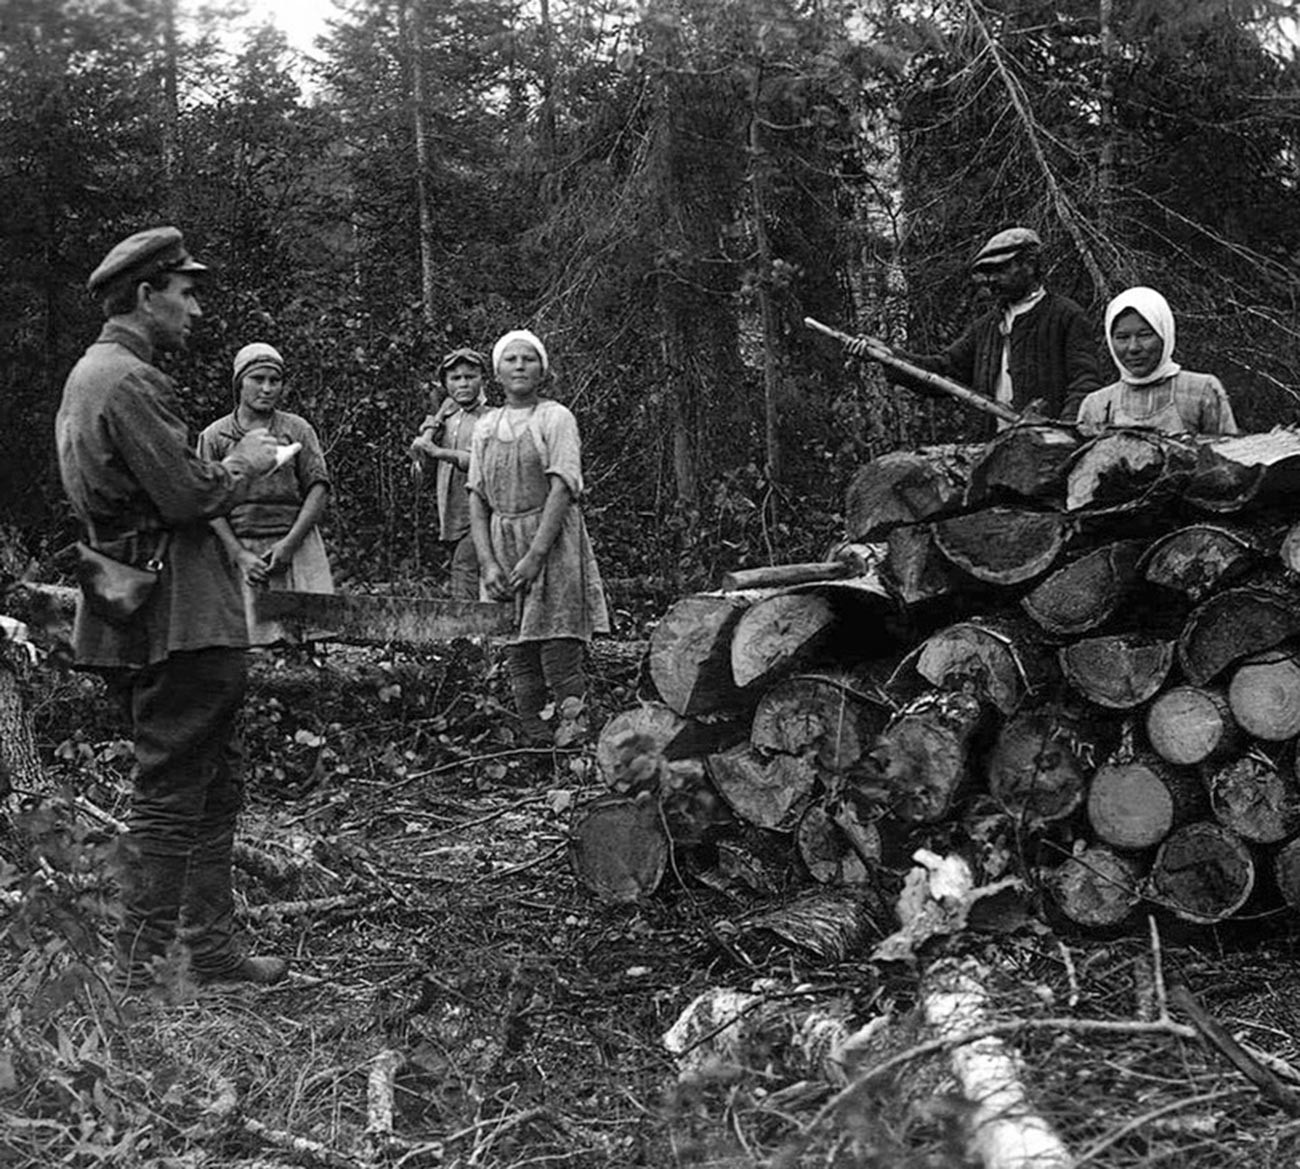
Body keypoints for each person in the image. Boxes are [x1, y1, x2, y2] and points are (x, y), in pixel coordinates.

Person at [55, 226, 288, 992]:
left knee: (213, 781)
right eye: (185, 294)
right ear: (147, 294)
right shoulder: (130, 381)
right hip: (176, 614)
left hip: (137, 601)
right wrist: (244, 463)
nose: (195, 310)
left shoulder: (94, 373)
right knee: (171, 790)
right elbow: (186, 494)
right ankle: (139, 971)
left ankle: (209, 950)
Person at [468, 329, 609, 742]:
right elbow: (476, 497)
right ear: (497, 372)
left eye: (528, 359)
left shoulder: (556, 418)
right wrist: (488, 562)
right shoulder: (486, 426)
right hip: (502, 543)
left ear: (542, 370)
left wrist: (535, 556)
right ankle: (536, 743)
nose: (519, 366)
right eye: (510, 360)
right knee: (518, 650)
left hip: (553, 542)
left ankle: (575, 743)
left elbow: (563, 487)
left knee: (559, 647)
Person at [850, 226, 1102, 426]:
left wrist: (1065, 431)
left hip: (1048, 454)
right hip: (990, 451)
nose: (990, 280)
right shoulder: (986, 327)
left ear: (1030, 264)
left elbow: (1084, 382)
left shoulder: (1066, 316)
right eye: (987, 272)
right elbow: (943, 370)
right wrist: (889, 356)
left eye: (1000, 269)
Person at [197, 342, 334, 645]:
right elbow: (207, 502)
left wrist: (289, 544)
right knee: (247, 643)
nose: (267, 388)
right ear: (239, 383)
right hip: (240, 548)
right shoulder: (215, 436)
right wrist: (239, 554)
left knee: (303, 639)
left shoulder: (297, 429)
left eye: (275, 380)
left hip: (294, 545)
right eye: (257, 379)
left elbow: (318, 487)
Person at [1076, 286, 1239, 436]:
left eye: (1145, 335)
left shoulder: (1201, 391)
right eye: (1122, 337)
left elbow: (1230, 453)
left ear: (1164, 334)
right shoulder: (1096, 405)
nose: (1133, 347)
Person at [409, 347, 488, 600]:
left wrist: (437, 451)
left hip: (483, 512)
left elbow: (479, 463)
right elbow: (424, 477)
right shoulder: (446, 420)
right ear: (446, 383)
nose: (463, 383)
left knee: (464, 569)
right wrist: (422, 452)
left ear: (482, 379)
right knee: (467, 572)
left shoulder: (491, 418)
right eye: (455, 378)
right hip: (452, 513)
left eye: (470, 377)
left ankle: (466, 623)